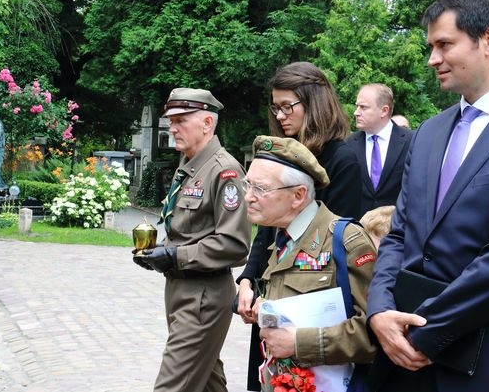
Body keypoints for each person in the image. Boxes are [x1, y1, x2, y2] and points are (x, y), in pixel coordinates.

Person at [367, 0, 489, 392]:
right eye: (431, 46)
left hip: (488, 360)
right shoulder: (429, 133)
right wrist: (379, 311)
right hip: (402, 359)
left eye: (444, 44)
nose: (433, 59)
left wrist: (428, 333)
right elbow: (399, 233)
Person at [236, 61, 362, 391]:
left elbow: (336, 243)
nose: (279, 116)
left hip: (311, 309)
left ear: (315, 102)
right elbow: (267, 226)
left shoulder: (342, 159)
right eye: (274, 107)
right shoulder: (284, 151)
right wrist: (249, 278)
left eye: (287, 106)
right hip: (274, 296)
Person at [133, 88, 251, 392]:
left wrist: (175, 257)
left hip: (203, 296)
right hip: (181, 290)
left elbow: (236, 245)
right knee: (208, 381)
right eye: (171, 120)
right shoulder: (189, 165)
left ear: (207, 123)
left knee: (172, 386)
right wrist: (160, 252)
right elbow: (188, 232)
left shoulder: (224, 171)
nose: (172, 128)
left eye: (181, 120)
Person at [243, 135, 377, 392]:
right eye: (247, 185)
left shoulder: (347, 241)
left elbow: (372, 333)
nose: (248, 197)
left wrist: (299, 343)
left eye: (260, 188)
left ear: (298, 195)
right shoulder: (282, 239)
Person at [347, 83, 412, 218]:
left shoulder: (411, 141)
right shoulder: (349, 144)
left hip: (397, 229)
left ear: (384, 110)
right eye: (357, 106)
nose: (356, 112)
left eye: (363, 107)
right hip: (358, 230)